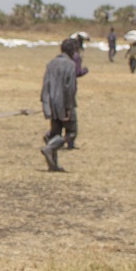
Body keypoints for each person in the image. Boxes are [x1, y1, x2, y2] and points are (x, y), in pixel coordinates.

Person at [40, 37, 79, 172]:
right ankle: (50, 147)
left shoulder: (51, 63)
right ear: (73, 51)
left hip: (52, 104)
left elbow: (45, 85)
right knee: (71, 132)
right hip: (64, 104)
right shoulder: (71, 65)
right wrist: (69, 108)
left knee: (56, 131)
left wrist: (46, 105)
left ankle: (53, 165)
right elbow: (70, 89)